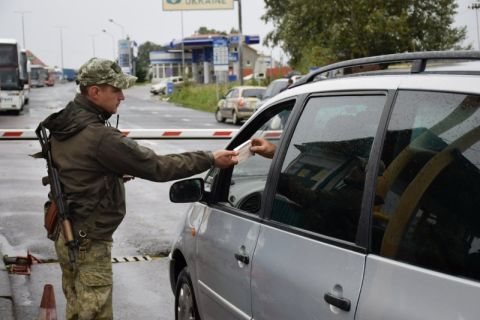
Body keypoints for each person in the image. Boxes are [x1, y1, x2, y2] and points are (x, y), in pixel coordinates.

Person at [39, 58, 238, 320]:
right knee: (92, 313)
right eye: (116, 90)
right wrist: (210, 158)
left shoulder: (66, 122)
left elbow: (78, 172)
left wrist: (110, 177)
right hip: (87, 239)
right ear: (95, 92)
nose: (122, 96)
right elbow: (158, 166)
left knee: (78, 306)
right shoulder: (99, 136)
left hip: (67, 233)